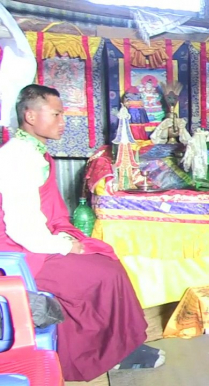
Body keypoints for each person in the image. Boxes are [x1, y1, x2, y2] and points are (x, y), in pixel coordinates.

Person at [0, 85, 165, 381]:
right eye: (56, 114)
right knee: (104, 274)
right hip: (21, 252)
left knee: (105, 258)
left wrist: (67, 239)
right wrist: (64, 246)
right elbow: (21, 227)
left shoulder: (31, 150)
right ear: (30, 116)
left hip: (35, 241)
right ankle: (105, 353)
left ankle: (121, 346)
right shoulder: (16, 157)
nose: (63, 121)